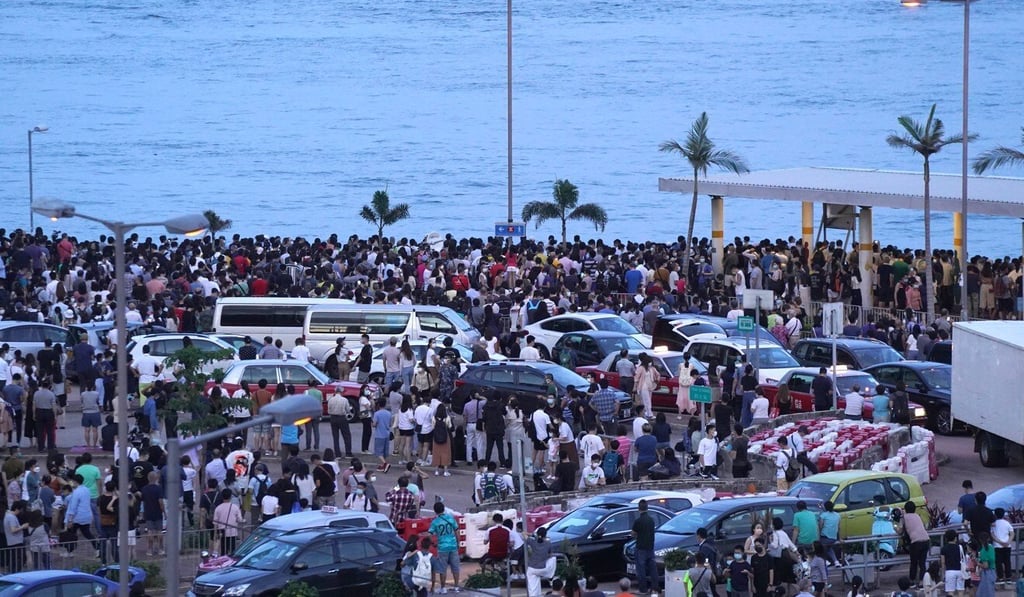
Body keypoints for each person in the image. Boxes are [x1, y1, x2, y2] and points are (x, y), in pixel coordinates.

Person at [429, 500, 461, 592]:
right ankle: (456, 587)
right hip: (453, 545)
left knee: (442, 569)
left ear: (435, 511)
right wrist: (458, 543)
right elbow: (457, 531)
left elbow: (429, 534)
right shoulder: (451, 518)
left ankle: (443, 588)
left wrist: (433, 543)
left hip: (442, 547)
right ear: (444, 509)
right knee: (455, 567)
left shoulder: (435, 522)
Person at [900, 500, 930, 586]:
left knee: (914, 563)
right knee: (922, 563)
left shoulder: (904, 517)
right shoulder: (917, 516)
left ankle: (912, 581)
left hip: (916, 542)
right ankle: (921, 582)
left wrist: (895, 528)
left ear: (905, 509)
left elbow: (900, 530)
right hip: (926, 540)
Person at [632, 500, 658, 594]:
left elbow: (633, 533)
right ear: (647, 508)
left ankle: (643, 589)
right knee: (652, 568)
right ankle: (655, 588)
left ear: (639, 508)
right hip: (650, 547)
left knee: (641, 569)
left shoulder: (638, 521)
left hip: (641, 547)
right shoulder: (651, 520)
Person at [526, 527, 557, 597]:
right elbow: (550, 554)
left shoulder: (532, 542)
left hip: (532, 568)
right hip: (544, 568)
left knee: (533, 587)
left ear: (537, 534)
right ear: (545, 535)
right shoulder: (548, 543)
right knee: (553, 558)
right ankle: (551, 576)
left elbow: (523, 534)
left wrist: (533, 535)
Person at [213, 488, 244, 556]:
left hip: (222, 533)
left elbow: (215, 523)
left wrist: (215, 534)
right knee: (233, 551)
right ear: (230, 496)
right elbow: (240, 519)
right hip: (233, 532)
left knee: (223, 552)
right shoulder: (235, 507)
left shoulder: (218, 508)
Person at [939, 529, 964, 597]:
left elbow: (943, 562)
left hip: (949, 571)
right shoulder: (960, 547)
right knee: (960, 590)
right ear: (955, 538)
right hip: (960, 571)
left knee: (950, 592)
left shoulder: (944, 548)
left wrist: (943, 574)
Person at [992, 507, 1013, 586]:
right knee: (1007, 562)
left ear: (995, 514)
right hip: (1007, 545)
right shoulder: (1007, 523)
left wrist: (999, 542)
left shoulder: (994, 524)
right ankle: (1008, 578)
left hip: (997, 546)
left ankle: (1000, 577)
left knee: (998, 562)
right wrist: (1008, 542)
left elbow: (992, 534)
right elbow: (1012, 533)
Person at [975, 531, 997, 597]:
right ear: (988, 539)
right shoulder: (992, 548)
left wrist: (978, 563)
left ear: (980, 540)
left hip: (987, 573)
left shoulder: (983, 551)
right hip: (993, 571)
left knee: (984, 593)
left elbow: (985, 566)